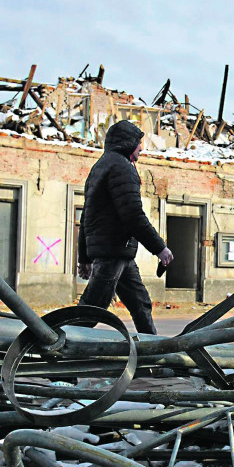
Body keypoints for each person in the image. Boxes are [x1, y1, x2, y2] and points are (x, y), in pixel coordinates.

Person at [77, 120, 173, 334]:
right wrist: (160, 248)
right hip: (113, 251)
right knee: (91, 310)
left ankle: (152, 354)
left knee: (141, 304)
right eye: (138, 143)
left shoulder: (100, 167)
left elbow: (86, 216)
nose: (141, 147)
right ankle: (56, 349)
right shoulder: (121, 168)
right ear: (127, 143)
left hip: (120, 252)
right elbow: (133, 215)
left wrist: (84, 257)